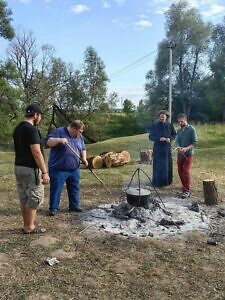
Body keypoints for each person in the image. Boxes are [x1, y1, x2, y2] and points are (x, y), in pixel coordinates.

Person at [13, 103, 50, 234]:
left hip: (19, 167)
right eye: (40, 116)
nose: (40, 119)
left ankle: (27, 224)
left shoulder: (18, 128)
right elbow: (36, 152)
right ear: (36, 115)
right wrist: (45, 172)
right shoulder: (31, 129)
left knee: (24, 197)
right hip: (30, 169)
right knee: (34, 197)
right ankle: (29, 227)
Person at [46, 120, 88, 216]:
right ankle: (53, 208)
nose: (80, 134)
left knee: (74, 188)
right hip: (58, 168)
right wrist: (59, 140)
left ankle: (74, 206)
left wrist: (84, 159)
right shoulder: (59, 132)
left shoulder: (79, 136)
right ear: (73, 128)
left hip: (74, 169)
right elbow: (48, 142)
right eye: (79, 132)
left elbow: (83, 148)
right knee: (56, 188)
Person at [149, 110, 176, 187]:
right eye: (160, 117)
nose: (162, 118)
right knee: (158, 165)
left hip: (167, 149)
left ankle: (167, 182)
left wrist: (170, 139)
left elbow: (174, 134)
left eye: (163, 116)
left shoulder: (170, 125)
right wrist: (159, 138)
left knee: (166, 165)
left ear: (166, 117)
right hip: (158, 148)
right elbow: (150, 136)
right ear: (159, 117)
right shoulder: (155, 125)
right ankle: (157, 182)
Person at [175, 113, 197, 198]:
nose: (180, 123)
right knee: (180, 170)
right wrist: (178, 147)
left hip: (189, 153)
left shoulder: (192, 129)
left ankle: (186, 191)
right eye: (179, 122)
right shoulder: (179, 130)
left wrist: (186, 148)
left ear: (186, 120)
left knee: (185, 170)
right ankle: (184, 186)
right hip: (180, 153)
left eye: (182, 121)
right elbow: (177, 141)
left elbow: (195, 143)